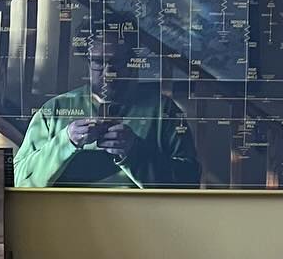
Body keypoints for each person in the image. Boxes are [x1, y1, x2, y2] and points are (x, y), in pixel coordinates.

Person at [13, 30, 201, 189]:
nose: (108, 72)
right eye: (98, 62)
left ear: (131, 63)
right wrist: (66, 141)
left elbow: (190, 182)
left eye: (116, 62)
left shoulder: (164, 111)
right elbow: (19, 180)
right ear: (88, 62)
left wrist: (134, 151)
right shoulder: (54, 110)